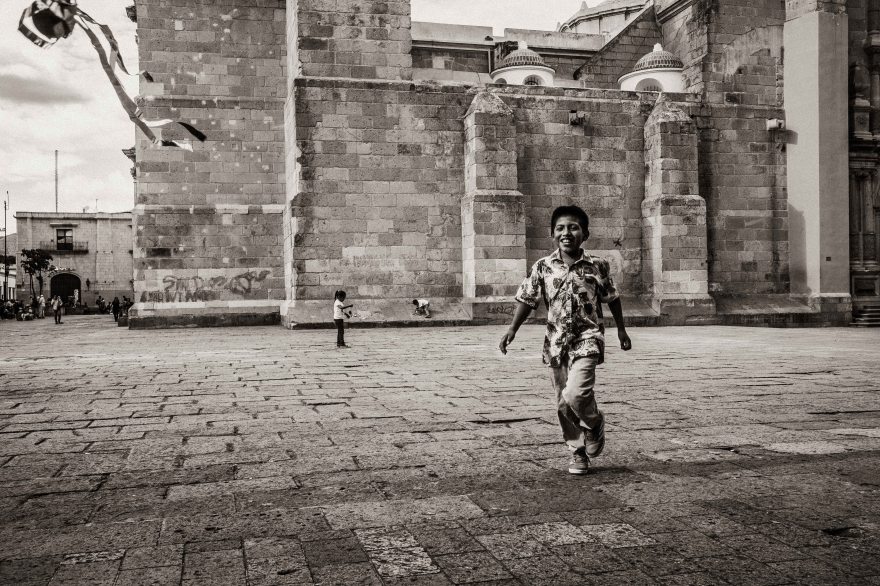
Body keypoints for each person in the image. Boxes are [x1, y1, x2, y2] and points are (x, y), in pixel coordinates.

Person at [499, 205, 632, 475]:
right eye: (560, 228)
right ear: (552, 234)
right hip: (556, 342)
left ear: (585, 234)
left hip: (588, 337)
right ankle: (577, 452)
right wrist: (512, 330)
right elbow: (527, 300)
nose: (566, 232)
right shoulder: (543, 267)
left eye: (573, 227)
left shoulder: (598, 266)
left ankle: (594, 424)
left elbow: (612, 298)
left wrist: (621, 330)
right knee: (562, 401)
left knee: (576, 393)